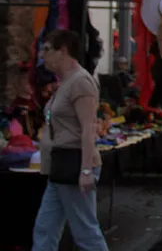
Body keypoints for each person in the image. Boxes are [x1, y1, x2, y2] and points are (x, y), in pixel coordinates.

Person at [32, 30, 108, 251]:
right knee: (45, 227)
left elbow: (88, 128)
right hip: (60, 163)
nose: (41, 55)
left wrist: (85, 170)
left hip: (74, 162)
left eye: (46, 50)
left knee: (85, 231)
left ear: (62, 51)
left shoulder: (81, 82)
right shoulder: (64, 83)